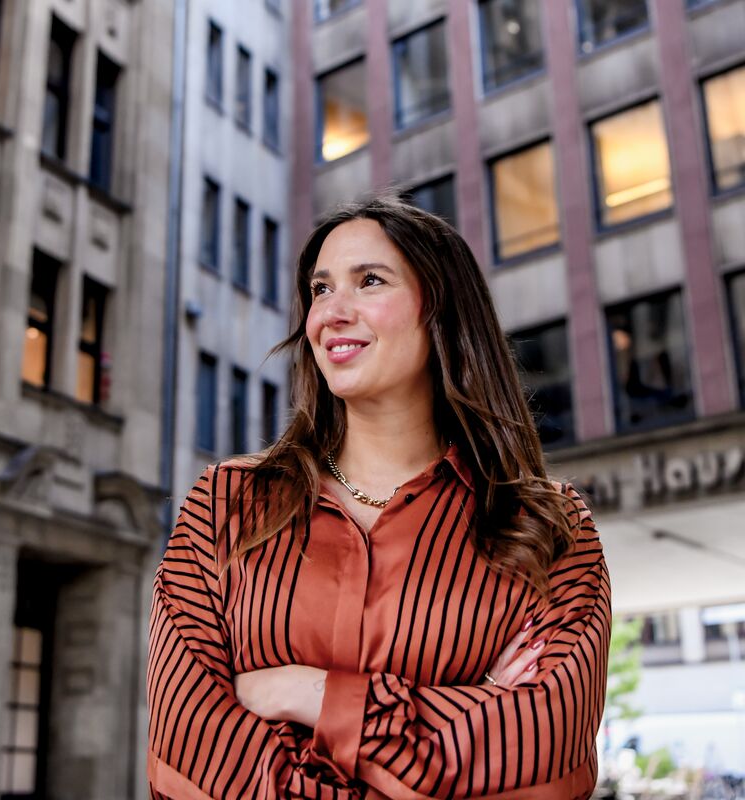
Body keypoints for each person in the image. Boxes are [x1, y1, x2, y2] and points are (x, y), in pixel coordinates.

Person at [147, 195, 611, 799]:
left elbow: (546, 761)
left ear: (439, 310)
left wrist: (301, 691)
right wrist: (464, 719)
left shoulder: (548, 527)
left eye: (369, 281)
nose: (331, 313)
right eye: (319, 289)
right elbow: (183, 752)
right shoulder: (225, 505)